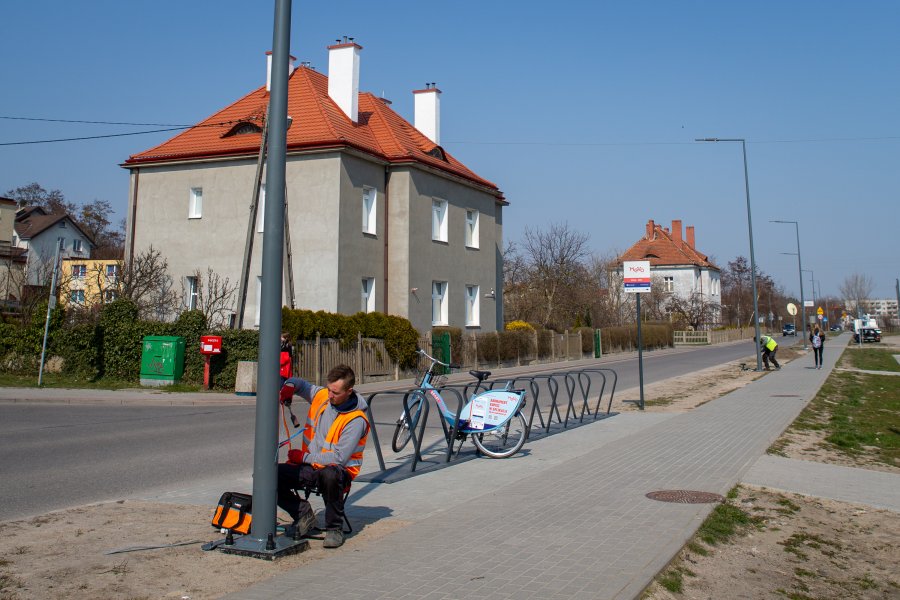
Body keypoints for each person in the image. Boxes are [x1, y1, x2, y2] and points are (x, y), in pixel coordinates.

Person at [276, 364, 369, 548]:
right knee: (269, 475)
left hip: (339, 472)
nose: (330, 395)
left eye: (335, 392)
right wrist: (289, 386)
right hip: (311, 467)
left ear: (349, 391)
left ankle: (334, 529)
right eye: (328, 389)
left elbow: (339, 459)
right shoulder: (323, 397)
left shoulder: (356, 419)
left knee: (330, 474)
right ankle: (303, 514)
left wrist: (303, 458)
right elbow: (301, 385)